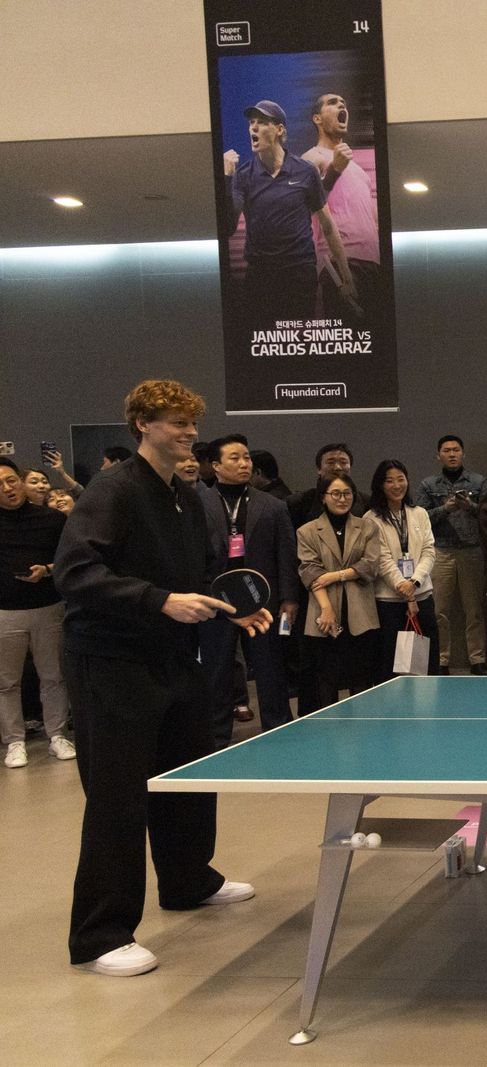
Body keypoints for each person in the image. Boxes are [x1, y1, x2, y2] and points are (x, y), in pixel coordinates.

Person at [54, 380, 268, 977]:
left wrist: (232, 604)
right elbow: (75, 573)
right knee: (119, 796)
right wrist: (159, 601)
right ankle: (99, 935)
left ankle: (188, 881)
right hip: (112, 663)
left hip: (173, 659)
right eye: (178, 423)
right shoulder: (113, 490)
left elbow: (200, 571)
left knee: (188, 777)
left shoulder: (184, 495)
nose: (191, 433)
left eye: (193, 423)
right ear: (145, 424)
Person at [197, 434, 298, 745]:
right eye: (234, 458)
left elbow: (287, 553)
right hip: (217, 600)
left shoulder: (273, 505)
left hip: (261, 599)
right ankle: (215, 735)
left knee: (269, 667)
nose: (244, 464)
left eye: (246, 458)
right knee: (216, 670)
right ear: (215, 466)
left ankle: (278, 727)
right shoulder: (198, 504)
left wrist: (290, 599)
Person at [221, 100, 357, 325]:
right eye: (251, 123)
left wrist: (346, 277)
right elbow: (228, 227)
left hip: (299, 274)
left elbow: (328, 225)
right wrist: (227, 178)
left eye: (262, 122)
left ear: (279, 130)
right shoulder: (243, 176)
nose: (253, 128)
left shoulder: (305, 171)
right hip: (260, 277)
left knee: (299, 342)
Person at [1, 460, 73, 768]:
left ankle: (57, 734)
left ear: (20, 481)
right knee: (7, 682)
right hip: (5, 612)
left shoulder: (52, 519)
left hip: (48, 607)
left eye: (11, 481)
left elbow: (70, 559)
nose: (7, 489)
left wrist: (46, 571)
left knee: (53, 677)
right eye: (0, 485)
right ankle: (14, 741)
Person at [296, 473, 382, 711]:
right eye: (335, 493)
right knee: (325, 676)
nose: (342, 499)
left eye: (347, 493)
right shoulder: (307, 531)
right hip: (324, 610)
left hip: (360, 611)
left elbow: (371, 565)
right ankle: (329, 727)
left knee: (361, 675)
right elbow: (310, 571)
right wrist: (326, 609)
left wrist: (336, 575)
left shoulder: (367, 527)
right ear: (323, 497)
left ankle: (364, 728)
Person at [302, 92, 382, 322]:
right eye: (332, 103)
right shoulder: (311, 158)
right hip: (340, 261)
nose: (341, 105)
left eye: (343, 103)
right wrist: (333, 170)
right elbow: (303, 208)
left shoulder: (357, 169)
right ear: (317, 119)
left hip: (372, 263)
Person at [418, 435, 487, 674]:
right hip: (441, 551)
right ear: (438, 455)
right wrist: (444, 509)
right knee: (439, 611)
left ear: (463, 453)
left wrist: (470, 506)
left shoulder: (478, 482)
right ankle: (442, 660)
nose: (452, 454)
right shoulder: (429, 485)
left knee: (475, 610)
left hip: (472, 550)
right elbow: (421, 518)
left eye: (456, 450)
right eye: (446, 450)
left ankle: (478, 659)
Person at [370, 460, 440, 680]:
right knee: (391, 664)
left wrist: (415, 582)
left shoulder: (419, 513)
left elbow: (429, 551)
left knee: (426, 663)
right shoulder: (370, 519)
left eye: (401, 479)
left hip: (422, 597)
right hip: (388, 602)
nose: (397, 485)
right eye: (390, 480)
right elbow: (382, 560)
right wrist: (403, 586)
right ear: (380, 485)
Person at [288, 444, 369, 527]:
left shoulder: (366, 503)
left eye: (343, 462)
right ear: (319, 469)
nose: (337, 467)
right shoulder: (299, 503)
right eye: (331, 462)